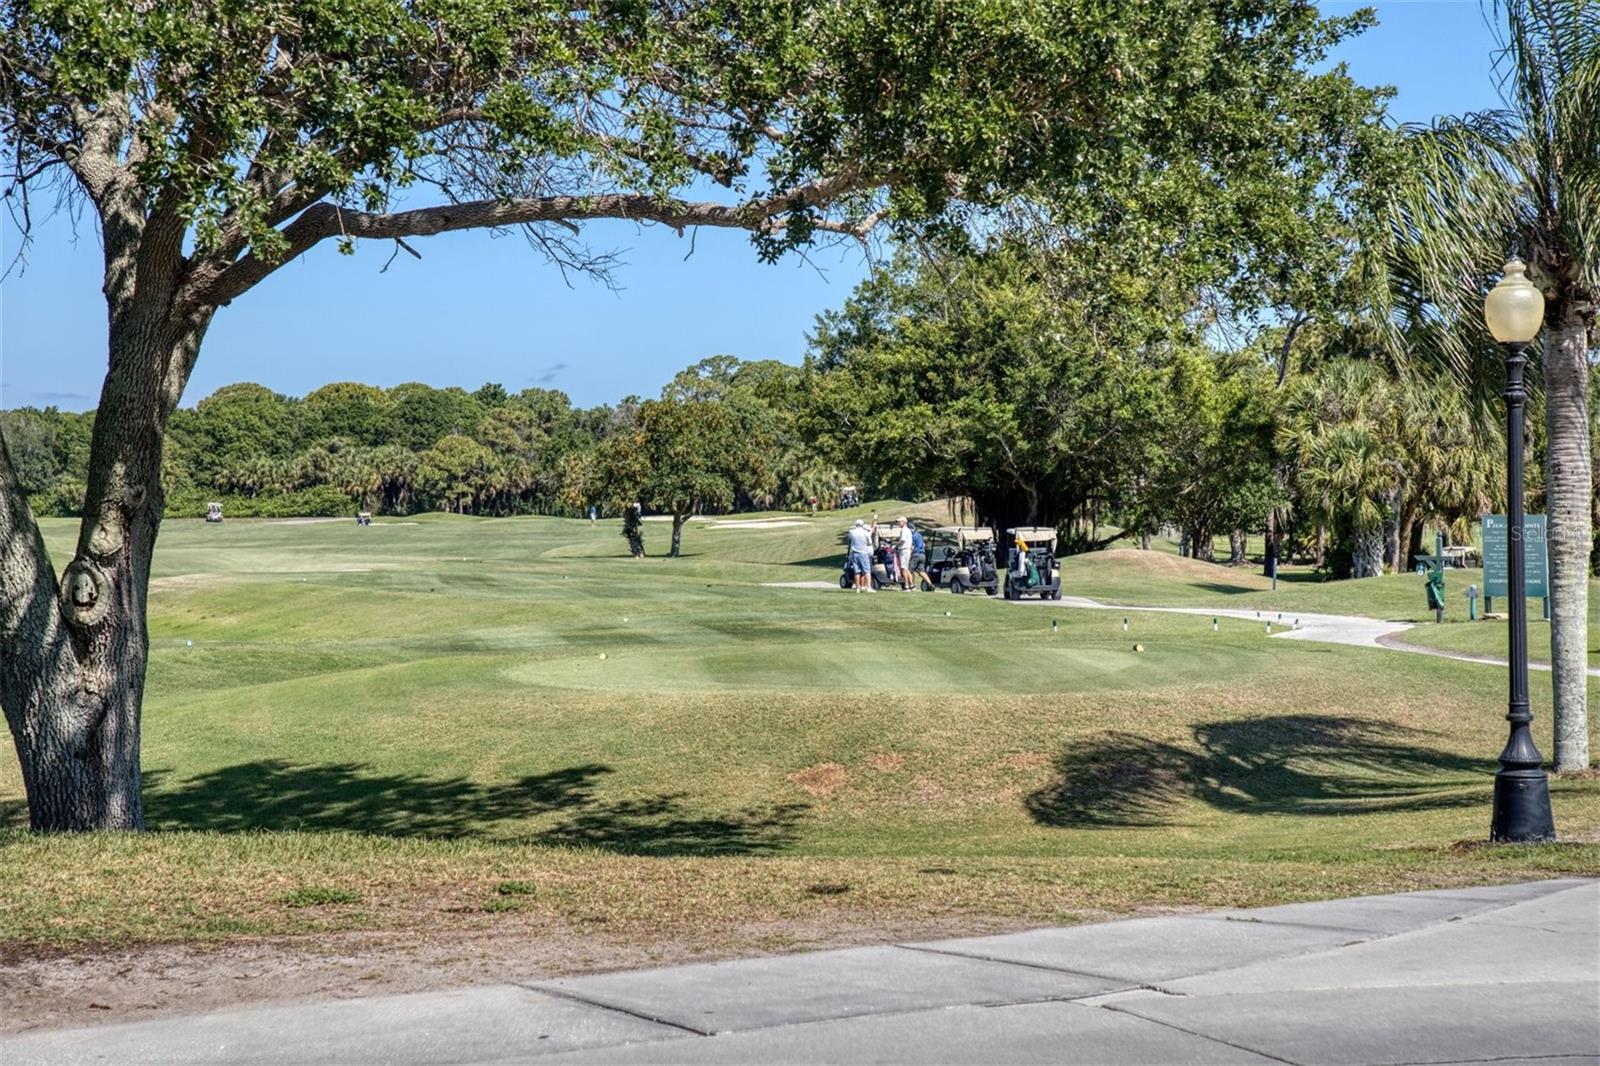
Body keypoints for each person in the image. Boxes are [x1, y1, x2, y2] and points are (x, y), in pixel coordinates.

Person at [846, 518, 874, 591]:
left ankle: (858, 588)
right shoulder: (865, 533)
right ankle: (868, 587)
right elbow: (870, 543)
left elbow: (849, 540)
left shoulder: (852, 532)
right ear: (862, 525)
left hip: (854, 553)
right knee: (867, 571)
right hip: (863, 553)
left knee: (857, 571)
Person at [896, 517, 915, 589]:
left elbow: (902, 540)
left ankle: (906, 585)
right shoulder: (907, 530)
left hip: (904, 550)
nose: (898, 523)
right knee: (906, 568)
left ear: (904, 522)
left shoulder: (904, 530)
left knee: (903, 568)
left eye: (899, 522)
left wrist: (896, 545)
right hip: (907, 550)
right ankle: (911, 585)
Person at [908, 523, 928, 590]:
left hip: (916, 554)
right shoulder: (919, 535)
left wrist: (909, 555)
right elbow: (924, 545)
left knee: (909, 570)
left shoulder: (912, 536)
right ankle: (930, 584)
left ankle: (912, 586)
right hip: (922, 554)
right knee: (921, 571)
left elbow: (912, 547)